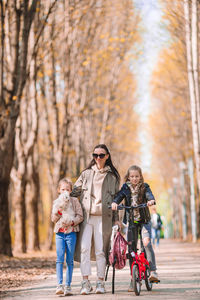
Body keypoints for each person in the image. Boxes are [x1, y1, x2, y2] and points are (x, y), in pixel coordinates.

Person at [70, 144, 120, 295]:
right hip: (86, 218)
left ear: (107, 156)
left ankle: (100, 282)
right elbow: (73, 193)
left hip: (104, 218)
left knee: (101, 251)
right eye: (95, 155)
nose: (98, 158)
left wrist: (117, 220)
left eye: (101, 155)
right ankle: (85, 282)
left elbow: (117, 199)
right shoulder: (86, 174)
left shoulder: (113, 177)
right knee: (84, 249)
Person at [111, 165, 159, 292]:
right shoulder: (125, 187)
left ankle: (153, 271)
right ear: (128, 177)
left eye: (137, 176)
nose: (134, 178)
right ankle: (133, 278)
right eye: (132, 176)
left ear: (140, 176)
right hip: (131, 221)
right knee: (131, 248)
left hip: (144, 220)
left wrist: (151, 200)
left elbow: (149, 195)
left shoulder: (145, 186)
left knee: (146, 242)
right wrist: (115, 202)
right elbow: (119, 196)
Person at [51, 177, 83, 296]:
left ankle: (68, 286)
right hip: (59, 233)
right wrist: (59, 211)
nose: (65, 191)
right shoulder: (56, 202)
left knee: (69, 260)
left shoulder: (75, 201)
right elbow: (53, 219)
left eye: (68, 189)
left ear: (71, 191)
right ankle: (59, 285)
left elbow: (80, 216)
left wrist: (72, 222)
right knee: (59, 259)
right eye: (63, 189)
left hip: (71, 233)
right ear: (59, 190)